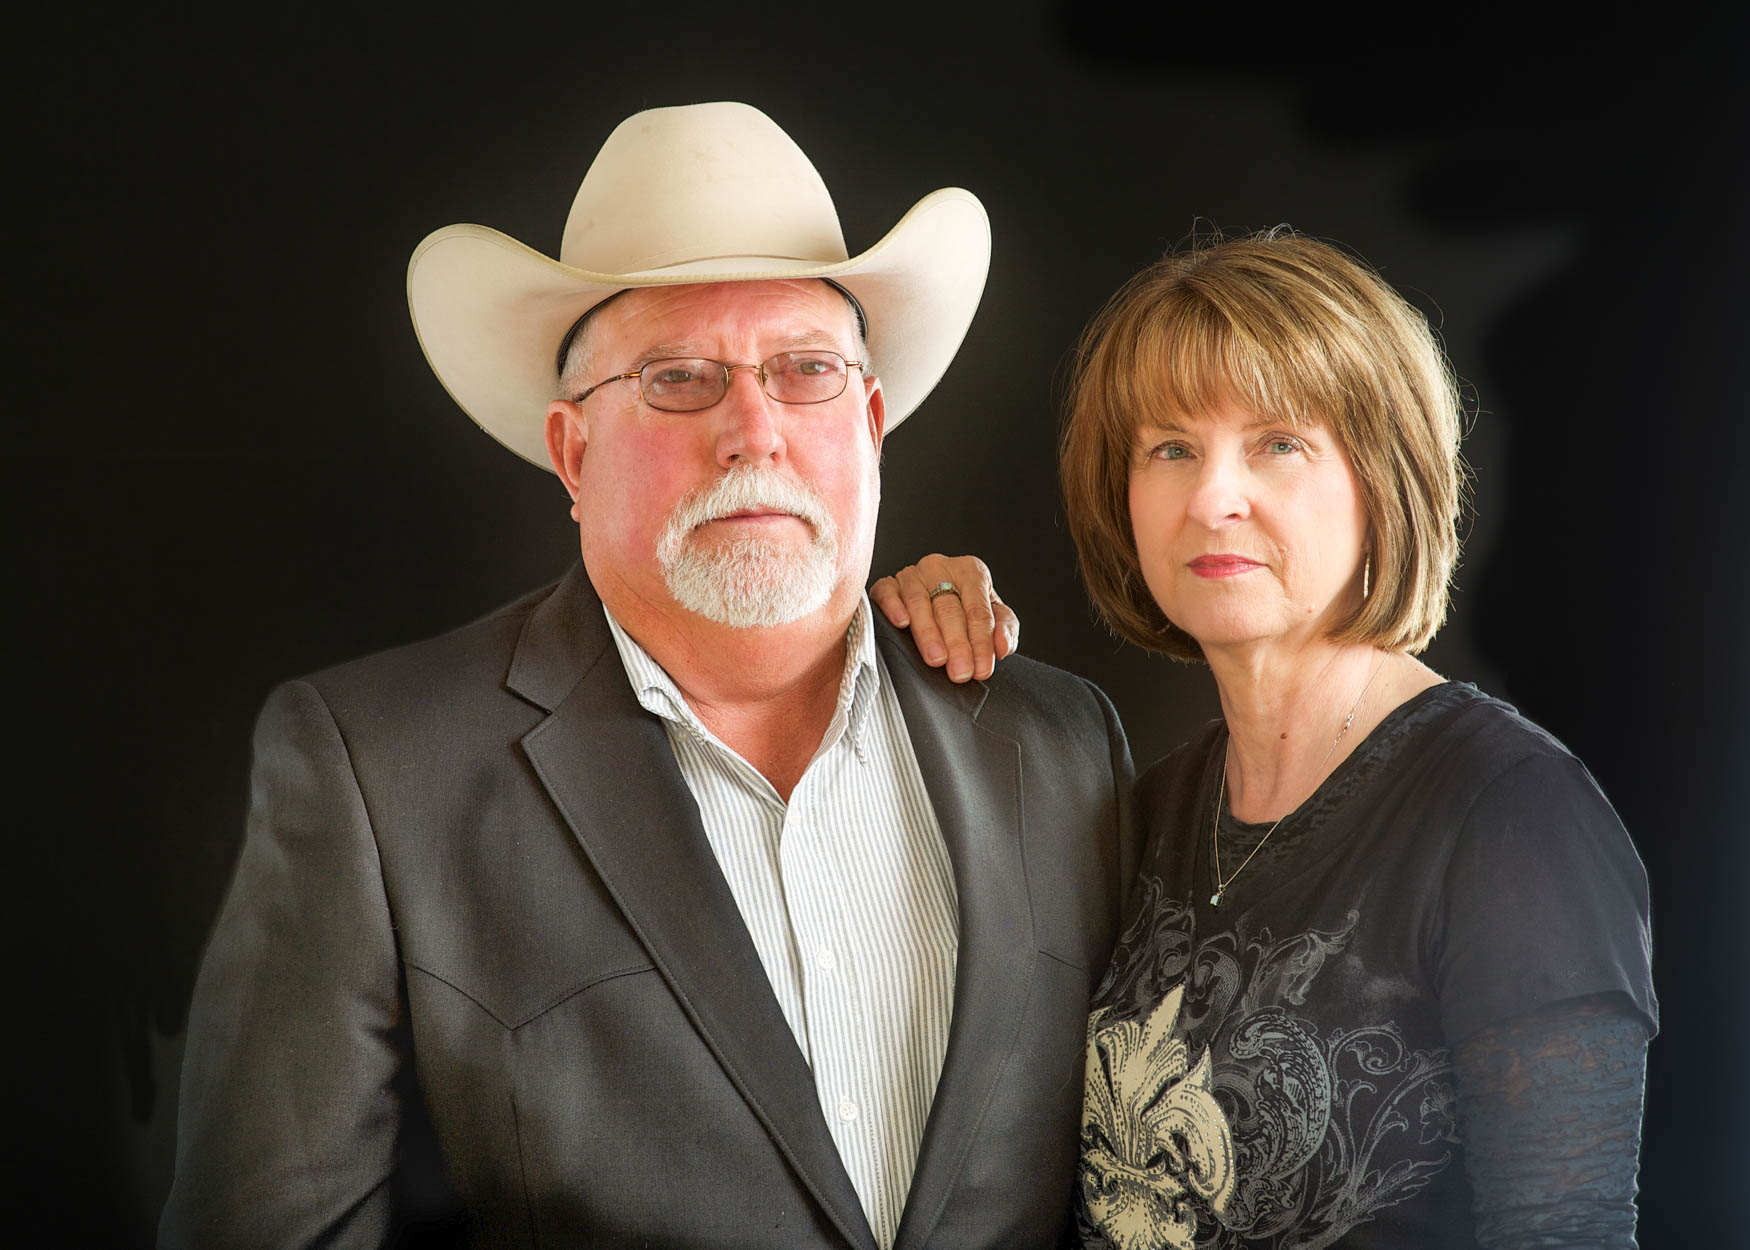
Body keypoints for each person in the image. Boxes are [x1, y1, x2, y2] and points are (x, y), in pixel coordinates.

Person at [160, 102, 1139, 1250]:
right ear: (573, 452)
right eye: (678, 378)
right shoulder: (377, 770)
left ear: (870, 423)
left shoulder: (1061, 741)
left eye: (805, 371)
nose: (753, 430)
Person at [876, 230, 1656, 1247]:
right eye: (1171, 449)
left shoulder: (1513, 815)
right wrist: (889, 649)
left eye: (1278, 442)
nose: (1212, 498)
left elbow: (1568, 1229)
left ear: (1383, 477)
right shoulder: (1143, 813)